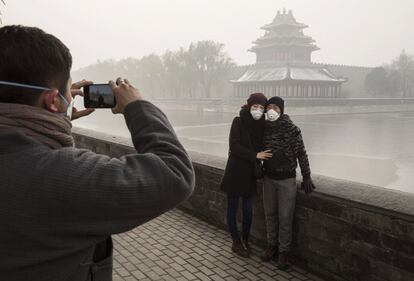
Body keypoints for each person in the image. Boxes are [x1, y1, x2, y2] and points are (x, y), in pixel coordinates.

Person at [0, 25, 195, 281]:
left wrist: (58, 116)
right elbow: (175, 173)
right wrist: (137, 107)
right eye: (68, 91)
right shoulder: (62, 177)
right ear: (52, 100)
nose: (72, 96)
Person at [260, 96, 315, 269]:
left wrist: (306, 175)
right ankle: (271, 246)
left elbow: (302, 153)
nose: (272, 111)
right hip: (268, 178)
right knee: (269, 215)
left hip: (287, 180)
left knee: (285, 218)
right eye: (270, 107)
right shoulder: (263, 129)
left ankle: (283, 252)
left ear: (282, 110)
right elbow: (249, 117)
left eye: (276, 108)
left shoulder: (292, 129)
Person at [220, 93, 272, 258]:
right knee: (233, 208)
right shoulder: (238, 121)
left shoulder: (263, 125)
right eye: (255, 106)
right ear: (249, 106)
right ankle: (236, 242)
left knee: (248, 211)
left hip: (250, 174)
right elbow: (234, 146)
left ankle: (245, 240)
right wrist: (255, 155)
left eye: (261, 107)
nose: (257, 110)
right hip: (235, 171)